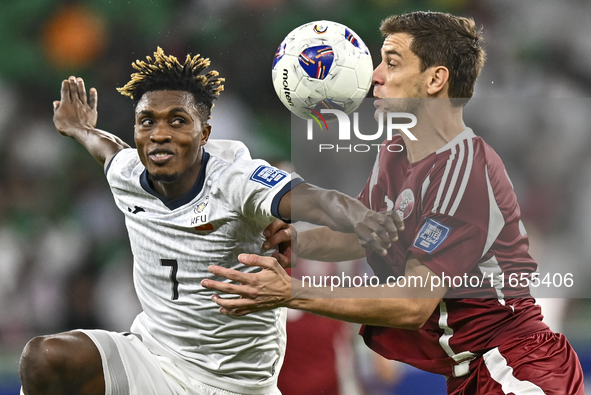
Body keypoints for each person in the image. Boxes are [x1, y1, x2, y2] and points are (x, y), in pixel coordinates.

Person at [201, 11, 585, 395]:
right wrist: (297, 243)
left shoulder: (463, 175)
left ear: (435, 80)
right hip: (471, 372)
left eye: (392, 62)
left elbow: (412, 304)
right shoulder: (399, 151)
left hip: (515, 368)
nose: (375, 75)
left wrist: (291, 291)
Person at [18, 47, 401, 395]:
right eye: (146, 122)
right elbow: (109, 151)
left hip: (236, 383)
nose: (159, 134)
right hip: (154, 359)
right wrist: (80, 128)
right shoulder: (129, 173)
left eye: (178, 121)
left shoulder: (235, 180)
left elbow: (315, 200)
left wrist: (364, 218)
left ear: (205, 133)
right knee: (45, 358)